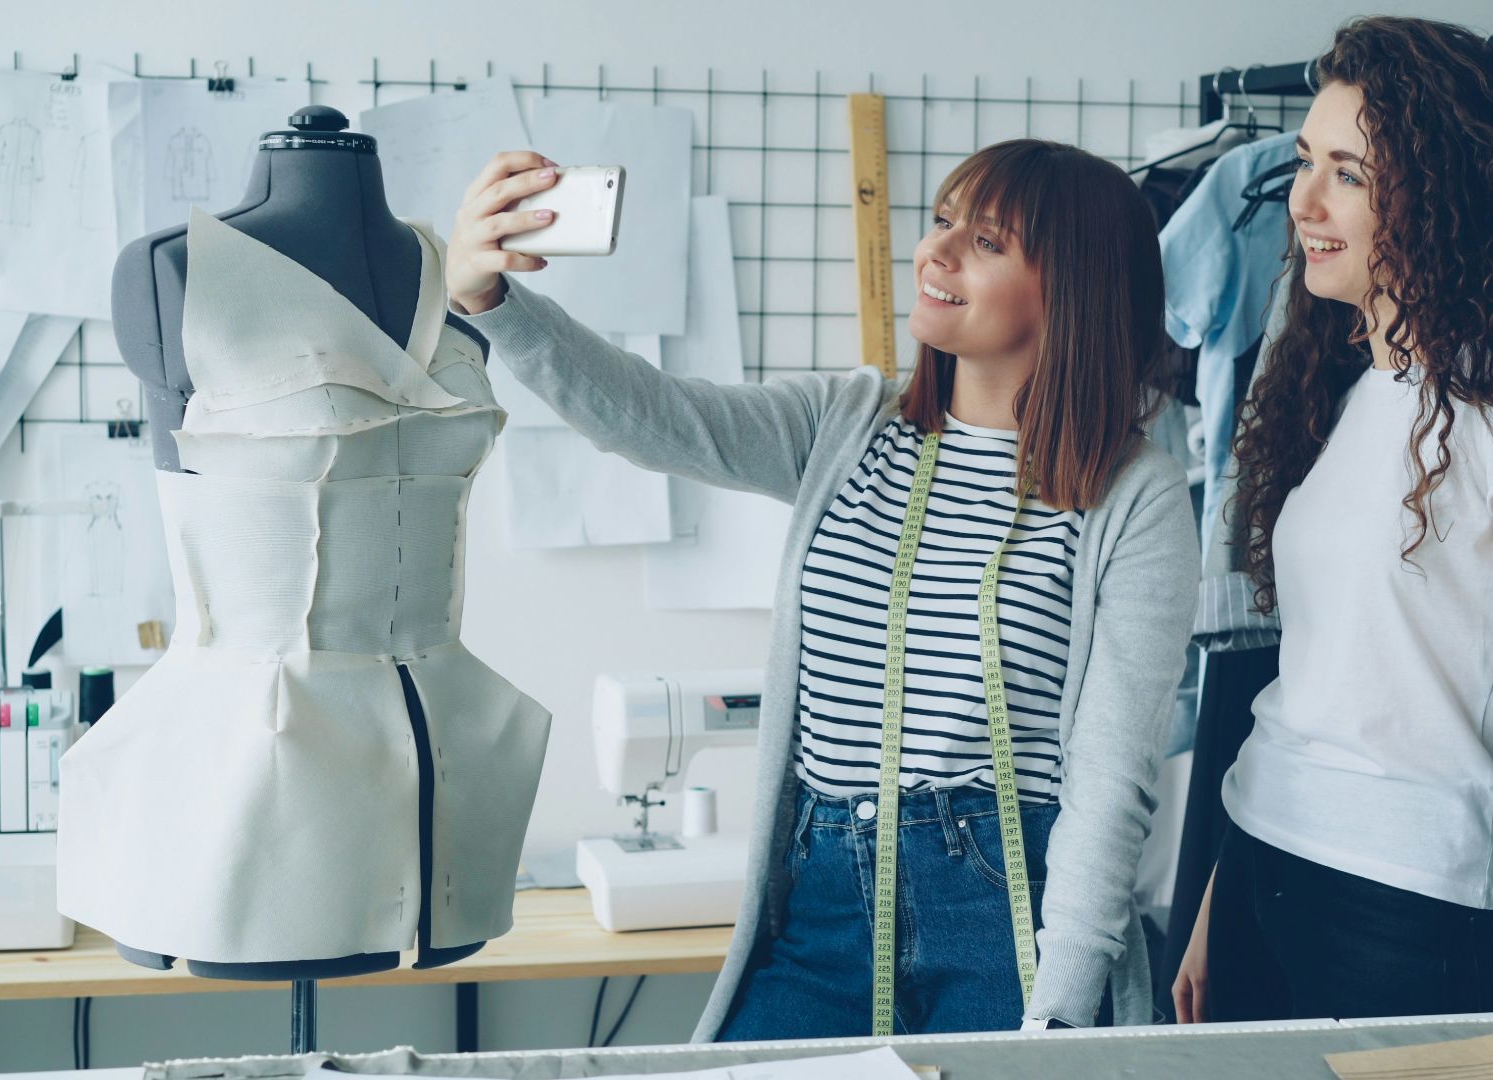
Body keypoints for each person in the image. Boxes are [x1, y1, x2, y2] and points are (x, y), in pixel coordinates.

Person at [447, 139, 1199, 1038]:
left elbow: (1111, 779)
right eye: (942, 221)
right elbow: (653, 417)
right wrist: (493, 305)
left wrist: (1065, 1009)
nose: (935, 251)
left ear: (1074, 289)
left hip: (1007, 920)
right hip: (827, 902)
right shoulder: (845, 424)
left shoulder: (1133, 495)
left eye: (986, 241)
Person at [1172, 17, 1493, 1049]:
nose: (1303, 201)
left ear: (1443, 196)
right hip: (1264, 857)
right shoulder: (1347, 386)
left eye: (1348, 174)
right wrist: (1219, 894)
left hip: (1406, 905)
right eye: (1307, 161)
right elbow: (1316, 681)